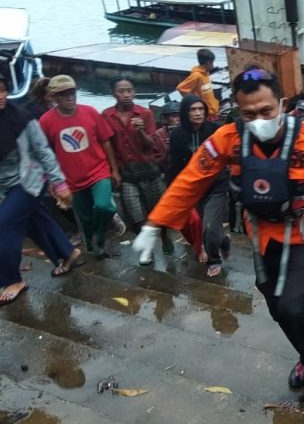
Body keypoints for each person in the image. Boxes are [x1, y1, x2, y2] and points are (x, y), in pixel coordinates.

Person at [135, 68, 304, 389]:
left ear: (281, 103)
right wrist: (156, 223)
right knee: (277, 307)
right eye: (249, 113)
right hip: (262, 235)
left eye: (267, 111)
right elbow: (191, 179)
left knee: (295, 302)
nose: (260, 120)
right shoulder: (229, 138)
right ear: (239, 111)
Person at [0, 73, 81, 304]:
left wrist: (59, 183)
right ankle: (66, 253)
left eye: (3, 90)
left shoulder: (21, 118)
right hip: (5, 185)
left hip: (29, 181)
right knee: (36, 222)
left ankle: (12, 279)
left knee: (4, 226)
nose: (1, 96)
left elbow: (43, 151)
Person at [39, 75, 121, 258]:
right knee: (85, 219)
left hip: (98, 172)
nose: (69, 98)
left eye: (72, 93)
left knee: (104, 207)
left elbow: (105, 141)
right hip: (71, 179)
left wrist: (114, 170)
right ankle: (95, 249)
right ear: (53, 97)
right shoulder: (45, 121)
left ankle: (99, 235)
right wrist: (53, 182)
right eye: (63, 95)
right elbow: (44, 153)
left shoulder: (90, 112)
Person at [102, 77, 172, 261]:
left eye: (129, 91)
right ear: (113, 93)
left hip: (149, 171)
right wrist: (114, 171)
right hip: (126, 173)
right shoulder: (107, 115)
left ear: (134, 92)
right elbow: (108, 144)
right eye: (121, 91)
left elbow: (151, 146)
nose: (126, 95)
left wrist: (141, 131)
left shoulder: (145, 113)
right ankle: (146, 249)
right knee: (135, 215)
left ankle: (165, 238)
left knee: (158, 211)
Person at [168, 95, 230, 276]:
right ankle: (223, 242)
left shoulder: (215, 130)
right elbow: (176, 165)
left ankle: (214, 259)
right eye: (193, 110)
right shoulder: (178, 135)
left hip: (217, 185)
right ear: (185, 113)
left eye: (200, 109)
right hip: (195, 189)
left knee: (209, 227)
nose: (197, 113)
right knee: (205, 226)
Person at [177, 48, 219, 121]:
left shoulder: (206, 74)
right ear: (208, 62)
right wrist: (195, 100)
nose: (213, 65)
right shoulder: (197, 75)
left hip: (212, 111)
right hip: (206, 114)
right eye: (212, 62)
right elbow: (181, 88)